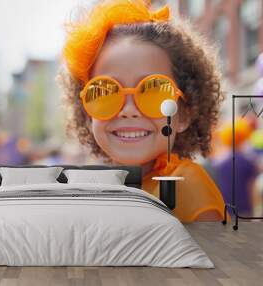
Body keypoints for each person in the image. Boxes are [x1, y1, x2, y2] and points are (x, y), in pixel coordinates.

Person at [58, 0, 226, 222]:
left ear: (183, 113)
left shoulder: (185, 186)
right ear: (88, 114)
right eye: (105, 92)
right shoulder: (97, 191)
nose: (128, 110)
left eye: (154, 91)